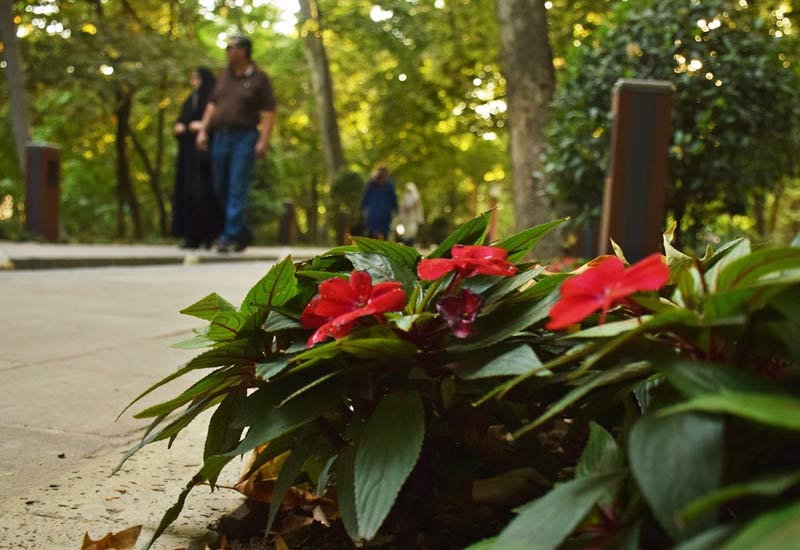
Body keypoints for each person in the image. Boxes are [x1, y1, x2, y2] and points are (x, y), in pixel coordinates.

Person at [197, 35, 277, 253]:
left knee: (237, 187)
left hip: (245, 137)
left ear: (243, 51)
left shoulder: (260, 78)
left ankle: (229, 236)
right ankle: (243, 231)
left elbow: (269, 111)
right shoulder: (223, 76)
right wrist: (203, 130)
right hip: (221, 136)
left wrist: (263, 141)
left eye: (231, 47)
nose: (227, 51)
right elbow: (212, 105)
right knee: (220, 186)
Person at [172, 67, 223, 249]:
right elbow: (181, 120)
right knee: (186, 193)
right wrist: (180, 126)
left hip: (204, 154)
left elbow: (218, 121)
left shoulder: (211, 100)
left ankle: (207, 235)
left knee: (203, 194)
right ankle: (189, 236)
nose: (193, 82)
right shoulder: (189, 100)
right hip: (187, 154)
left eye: (196, 78)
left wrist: (202, 127)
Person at [360, 166, 398, 240]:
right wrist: (395, 209)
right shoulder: (389, 184)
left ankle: (370, 248)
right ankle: (383, 249)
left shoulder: (371, 183)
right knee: (384, 232)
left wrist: (362, 208)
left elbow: (365, 197)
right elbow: (393, 198)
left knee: (371, 231)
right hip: (385, 211)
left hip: (372, 211)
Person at [395, 181, 424, 246]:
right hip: (405, 218)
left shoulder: (416, 198)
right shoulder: (404, 197)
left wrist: (419, 218)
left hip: (413, 218)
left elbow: (418, 209)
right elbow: (401, 208)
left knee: (412, 232)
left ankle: (410, 244)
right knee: (405, 233)